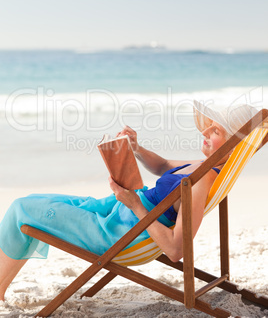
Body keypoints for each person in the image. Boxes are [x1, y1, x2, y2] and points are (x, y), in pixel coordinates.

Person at [0, 100, 258, 301]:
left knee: (22, 210)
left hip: (120, 233)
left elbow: (176, 251)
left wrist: (133, 203)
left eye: (216, 130)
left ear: (234, 144)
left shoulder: (200, 182)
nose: (205, 130)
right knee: (32, 201)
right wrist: (136, 147)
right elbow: (165, 166)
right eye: (209, 124)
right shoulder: (203, 167)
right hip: (118, 214)